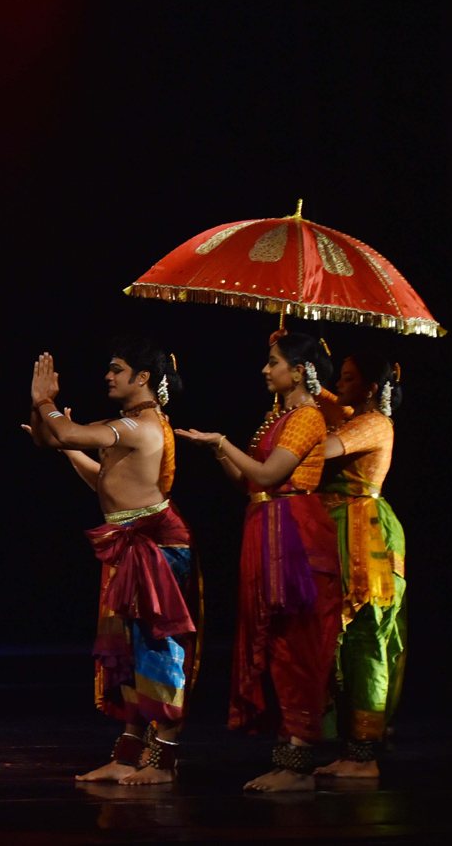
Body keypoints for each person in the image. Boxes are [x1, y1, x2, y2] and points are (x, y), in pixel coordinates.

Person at [26, 339, 198, 786]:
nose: (108, 376)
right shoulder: (127, 425)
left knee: (158, 650)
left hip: (156, 544)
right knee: (127, 653)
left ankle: (163, 762)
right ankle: (127, 756)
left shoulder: (140, 427)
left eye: (117, 370)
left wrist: (45, 401)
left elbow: (63, 431)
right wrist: (45, 416)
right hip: (126, 540)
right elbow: (58, 442)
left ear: (142, 378)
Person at [176, 330, 342, 791]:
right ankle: (287, 757)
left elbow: (270, 474)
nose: (265, 370)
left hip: (294, 532)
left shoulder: (308, 417)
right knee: (273, 644)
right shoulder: (280, 416)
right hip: (267, 525)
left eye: (273, 362)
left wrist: (223, 442)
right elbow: (250, 482)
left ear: (299, 370)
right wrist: (218, 452)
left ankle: (300, 763)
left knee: (296, 643)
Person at [314, 353, 406, 778]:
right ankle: (347, 747)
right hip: (337, 528)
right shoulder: (354, 416)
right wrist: (303, 377)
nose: (341, 384)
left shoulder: (374, 424)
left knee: (366, 639)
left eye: (350, 379)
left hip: (365, 533)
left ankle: (363, 755)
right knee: (337, 641)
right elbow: (328, 401)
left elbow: (325, 446)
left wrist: (297, 421)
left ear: (371, 387)